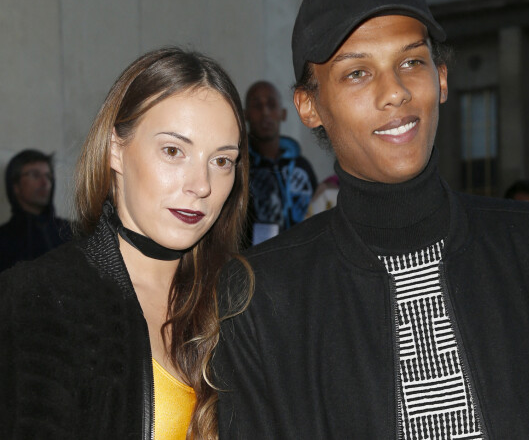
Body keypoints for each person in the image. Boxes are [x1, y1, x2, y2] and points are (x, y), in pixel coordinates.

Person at [215, 0, 529, 439]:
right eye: (358, 73)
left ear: (442, 78)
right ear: (309, 106)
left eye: (411, 62)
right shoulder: (260, 298)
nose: (395, 92)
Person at [0, 47, 252, 440]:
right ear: (116, 149)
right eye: (173, 151)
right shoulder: (41, 298)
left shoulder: (243, 301)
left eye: (222, 161)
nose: (201, 185)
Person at [244, 80, 317, 245]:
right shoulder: (238, 168)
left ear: (283, 113)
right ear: (245, 114)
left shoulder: (301, 168)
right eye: (257, 105)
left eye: (271, 104)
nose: (265, 112)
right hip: (252, 263)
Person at [0, 149, 72, 272]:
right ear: (16, 186)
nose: (45, 183)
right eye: (35, 175)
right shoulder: (3, 239)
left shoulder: (70, 232)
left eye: (48, 176)